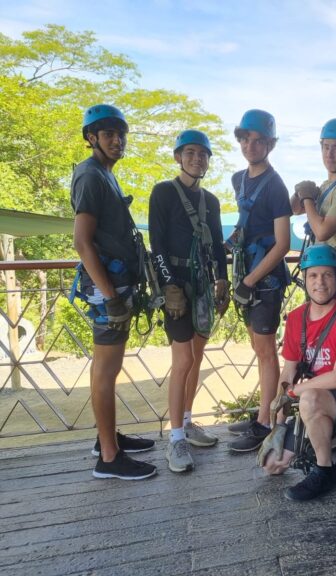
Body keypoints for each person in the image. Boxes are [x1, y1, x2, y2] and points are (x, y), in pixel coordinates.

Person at [71, 104, 156, 480]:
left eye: (120, 134)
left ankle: (107, 439)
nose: (116, 140)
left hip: (115, 283)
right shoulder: (90, 176)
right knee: (106, 370)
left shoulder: (104, 174)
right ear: (92, 138)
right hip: (107, 288)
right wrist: (111, 296)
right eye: (108, 134)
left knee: (110, 367)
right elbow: (82, 242)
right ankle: (108, 457)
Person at [257, 245, 336, 501]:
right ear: (305, 279)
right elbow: (288, 372)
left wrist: (292, 392)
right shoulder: (297, 318)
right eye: (313, 275)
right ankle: (328, 439)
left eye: (327, 275)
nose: (319, 282)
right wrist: (278, 426)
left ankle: (326, 469)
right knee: (272, 465)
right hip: (321, 402)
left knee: (309, 398)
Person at [148, 129, 229, 472]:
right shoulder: (164, 193)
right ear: (178, 157)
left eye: (203, 154)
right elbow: (158, 244)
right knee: (182, 360)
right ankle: (176, 438)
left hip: (202, 286)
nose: (197, 159)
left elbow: (219, 244)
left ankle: (187, 419)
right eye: (191, 153)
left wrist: (223, 281)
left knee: (196, 358)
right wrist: (169, 286)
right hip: (177, 286)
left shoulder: (210, 201)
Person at [227, 109, 292, 452]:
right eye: (246, 139)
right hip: (249, 273)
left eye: (259, 141)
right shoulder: (239, 179)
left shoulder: (275, 186)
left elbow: (282, 243)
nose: (251, 146)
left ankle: (267, 422)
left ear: (270, 145)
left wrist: (249, 281)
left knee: (266, 353)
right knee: (258, 348)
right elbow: (246, 221)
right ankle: (263, 412)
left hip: (263, 281)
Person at [290, 118, 336, 303]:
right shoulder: (326, 186)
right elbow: (293, 209)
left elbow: (322, 231)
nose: (329, 154)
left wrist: (307, 197)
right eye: (325, 147)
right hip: (323, 270)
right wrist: (299, 193)